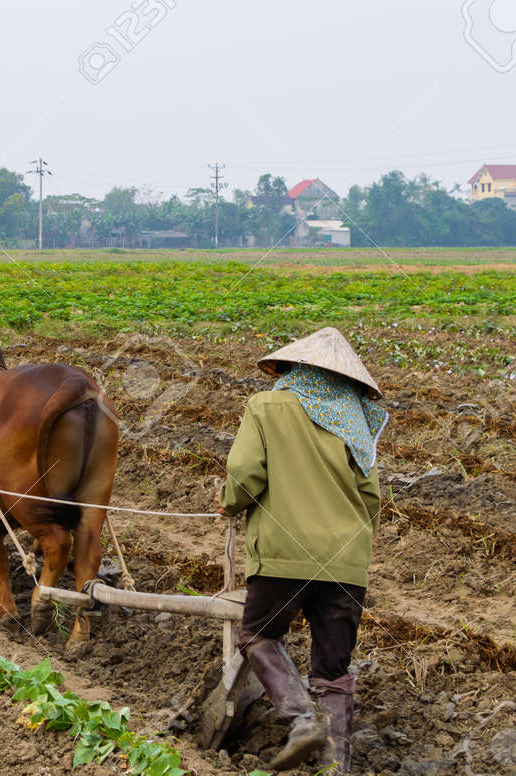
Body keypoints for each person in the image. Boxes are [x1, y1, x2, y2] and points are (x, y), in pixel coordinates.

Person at [215, 326, 387, 774]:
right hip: (346, 562)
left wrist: (229, 502)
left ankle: (302, 718)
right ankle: (335, 766)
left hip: (283, 554)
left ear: (293, 368)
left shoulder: (266, 405)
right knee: (333, 671)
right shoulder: (356, 422)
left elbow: (245, 472)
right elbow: (371, 498)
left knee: (258, 634)